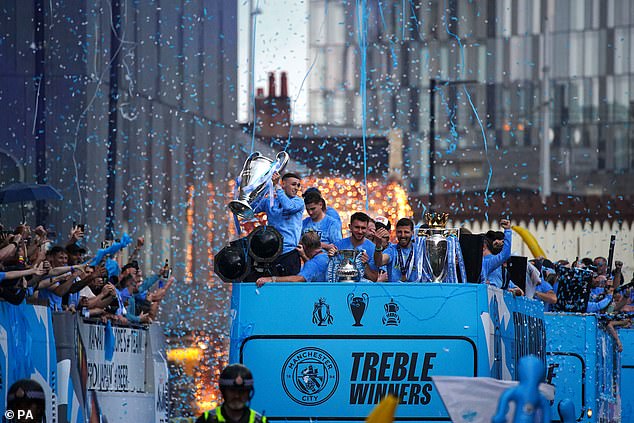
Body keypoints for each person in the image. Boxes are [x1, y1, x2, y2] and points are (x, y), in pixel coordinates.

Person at [253, 172, 304, 276]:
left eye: (298, 185)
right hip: (271, 252)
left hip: (289, 253)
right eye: (293, 184)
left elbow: (288, 207)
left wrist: (277, 187)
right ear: (283, 184)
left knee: (290, 288)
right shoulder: (270, 201)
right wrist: (260, 188)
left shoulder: (299, 202)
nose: (297, 188)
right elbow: (252, 208)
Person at [196, 363, 266, 423]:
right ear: (223, 391)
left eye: (242, 392)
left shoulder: (260, 421)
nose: (237, 396)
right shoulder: (206, 420)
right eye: (232, 391)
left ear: (248, 393)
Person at [256, 231, 328, 286]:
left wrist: (272, 279)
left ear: (305, 247)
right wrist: (304, 256)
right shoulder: (326, 256)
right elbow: (314, 270)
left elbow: (299, 279)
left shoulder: (313, 264)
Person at [328, 212, 378, 281]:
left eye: (363, 228)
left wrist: (365, 265)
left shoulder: (372, 249)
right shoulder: (338, 245)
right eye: (357, 227)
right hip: (341, 287)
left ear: (366, 229)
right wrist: (331, 259)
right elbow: (330, 276)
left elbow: (374, 278)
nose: (360, 231)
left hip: (362, 290)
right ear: (350, 227)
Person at [481, 219, 523, 295]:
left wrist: (507, 231)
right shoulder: (501, 268)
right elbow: (520, 292)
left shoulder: (486, 262)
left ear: (484, 246)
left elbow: (520, 292)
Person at [373, 218, 419, 282]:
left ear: (412, 233)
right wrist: (378, 245)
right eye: (399, 232)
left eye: (406, 232)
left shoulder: (419, 250)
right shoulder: (392, 250)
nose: (403, 235)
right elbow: (379, 262)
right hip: (393, 290)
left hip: (416, 290)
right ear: (396, 233)